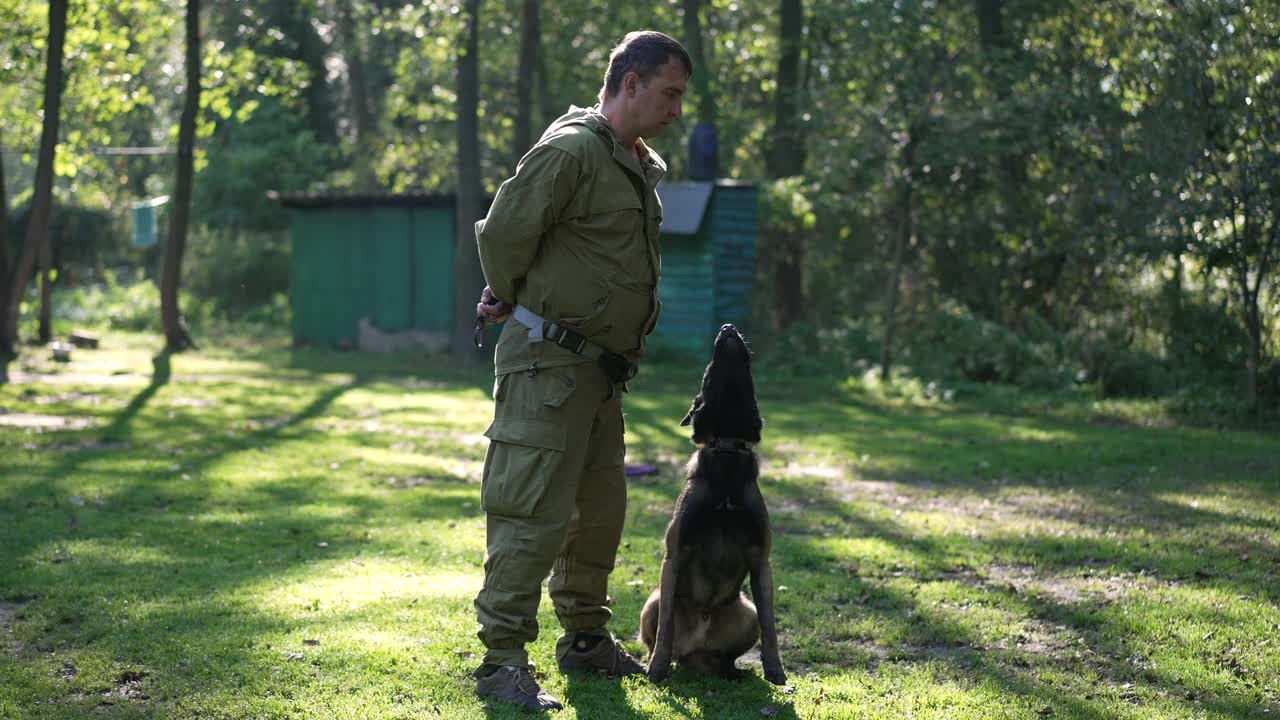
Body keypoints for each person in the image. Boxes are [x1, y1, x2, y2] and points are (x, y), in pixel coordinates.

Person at [469, 30, 690, 711]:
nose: (677, 109)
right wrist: (508, 292)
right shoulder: (571, 151)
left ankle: (586, 641)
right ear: (630, 84)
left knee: (597, 515)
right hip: (548, 365)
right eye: (669, 93)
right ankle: (502, 659)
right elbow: (505, 231)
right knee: (530, 510)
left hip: (600, 374)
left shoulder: (633, 163)